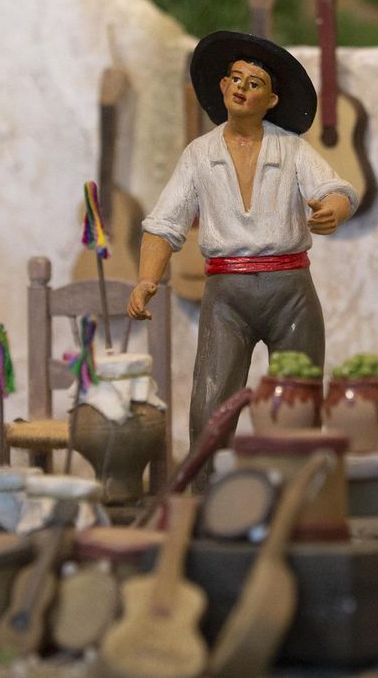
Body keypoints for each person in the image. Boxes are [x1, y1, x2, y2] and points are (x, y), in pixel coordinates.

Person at [128, 30, 355, 447]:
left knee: (297, 404)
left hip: (291, 292)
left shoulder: (292, 149)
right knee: (210, 405)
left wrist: (332, 209)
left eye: (254, 84)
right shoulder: (199, 154)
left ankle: (296, 496)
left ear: (271, 100)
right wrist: (147, 278)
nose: (241, 88)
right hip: (227, 295)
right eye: (235, 78)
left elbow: (336, 189)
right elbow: (164, 223)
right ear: (221, 85)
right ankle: (205, 494)